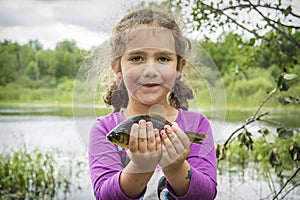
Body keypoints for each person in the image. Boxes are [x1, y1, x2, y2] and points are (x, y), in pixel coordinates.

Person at [88, 8, 217, 200]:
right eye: (136, 58)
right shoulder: (103, 128)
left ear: (179, 67)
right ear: (117, 67)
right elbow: (104, 196)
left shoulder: (197, 125)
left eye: (163, 58)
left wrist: (176, 167)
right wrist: (140, 167)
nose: (150, 70)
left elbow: (206, 195)